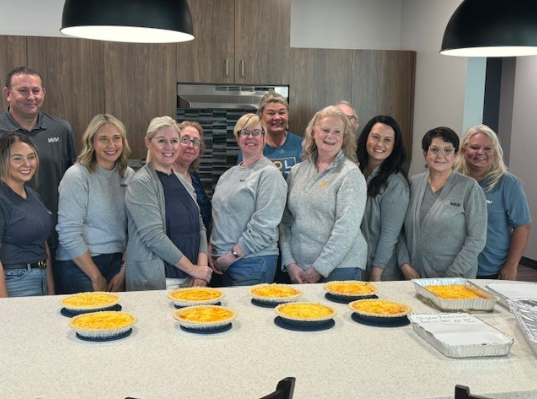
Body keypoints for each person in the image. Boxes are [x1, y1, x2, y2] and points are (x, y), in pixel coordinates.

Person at [0, 66, 76, 294]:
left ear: (43, 92)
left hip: (56, 242)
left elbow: (73, 179)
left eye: (36, 90)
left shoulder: (61, 129)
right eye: (23, 90)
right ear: (7, 94)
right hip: (12, 256)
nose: (31, 97)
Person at [280, 106, 367, 283]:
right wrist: (289, 262)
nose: (330, 136)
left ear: (344, 138)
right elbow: (285, 221)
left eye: (337, 132)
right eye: (325, 130)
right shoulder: (297, 171)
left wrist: (320, 268)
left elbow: (346, 229)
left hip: (342, 269)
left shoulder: (350, 174)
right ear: (314, 132)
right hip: (300, 269)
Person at [125, 116, 212, 291]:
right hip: (160, 280)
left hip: (191, 279)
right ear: (148, 142)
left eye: (174, 141)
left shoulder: (183, 180)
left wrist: (201, 269)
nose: (169, 147)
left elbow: (200, 225)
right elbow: (154, 237)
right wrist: (194, 269)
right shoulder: (141, 182)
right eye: (161, 141)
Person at [56, 114, 135, 294]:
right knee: (88, 320)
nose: (111, 145)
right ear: (91, 142)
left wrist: (123, 270)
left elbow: (134, 228)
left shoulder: (128, 175)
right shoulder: (77, 176)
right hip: (80, 265)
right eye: (103, 139)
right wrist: (95, 276)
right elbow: (68, 232)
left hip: (117, 262)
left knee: (115, 320)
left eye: (117, 138)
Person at [398, 127, 487, 279]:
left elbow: (477, 240)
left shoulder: (469, 188)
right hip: (413, 277)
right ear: (425, 153)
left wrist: (452, 276)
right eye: (434, 149)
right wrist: (405, 265)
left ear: (456, 154)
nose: (441, 155)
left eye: (447, 150)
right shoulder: (413, 183)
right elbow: (399, 230)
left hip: (455, 281)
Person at [210, 113, 287, 286]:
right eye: (244, 132)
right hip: (219, 263)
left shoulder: (269, 174)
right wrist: (211, 248)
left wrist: (231, 257)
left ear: (265, 138)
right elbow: (217, 217)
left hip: (252, 262)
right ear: (238, 138)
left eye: (256, 132)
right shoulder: (228, 175)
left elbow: (264, 227)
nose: (250, 137)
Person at [456, 124, 531, 280]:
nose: (480, 153)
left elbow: (523, 227)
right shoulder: (453, 180)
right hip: (455, 265)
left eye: (488, 148)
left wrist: (511, 266)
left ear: (495, 151)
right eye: (474, 147)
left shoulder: (508, 184)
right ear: (463, 150)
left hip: (489, 268)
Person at [0, 132, 54, 297]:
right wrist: (4, 306)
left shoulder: (32, 195)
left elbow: (43, 246)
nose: (27, 163)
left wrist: (51, 291)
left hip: (40, 276)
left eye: (31, 157)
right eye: (17, 158)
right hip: (14, 283)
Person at [357, 115, 409, 281]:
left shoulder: (395, 183)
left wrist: (376, 272)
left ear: (394, 146)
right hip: (355, 263)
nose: (380, 144)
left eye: (387, 140)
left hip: (379, 270)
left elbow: (390, 235)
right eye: (376, 137)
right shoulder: (354, 171)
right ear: (366, 138)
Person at [238, 91, 302, 180]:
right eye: (271, 113)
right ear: (261, 116)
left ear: (288, 115)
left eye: (282, 112)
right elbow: (243, 181)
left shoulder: (302, 145)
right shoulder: (250, 146)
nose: (277, 117)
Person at [174, 121, 212, 237]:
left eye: (196, 142)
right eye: (185, 139)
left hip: (198, 248)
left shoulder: (193, 176)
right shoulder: (164, 177)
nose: (191, 146)